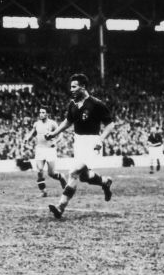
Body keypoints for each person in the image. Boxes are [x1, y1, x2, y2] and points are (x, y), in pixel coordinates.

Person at [46, 73, 115, 220]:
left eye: (74, 86)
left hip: (92, 144)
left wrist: (101, 140)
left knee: (74, 172)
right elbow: (67, 122)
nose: (71, 89)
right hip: (79, 143)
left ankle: (60, 207)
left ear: (83, 87)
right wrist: (54, 133)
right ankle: (105, 181)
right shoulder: (73, 104)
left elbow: (110, 124)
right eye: (71, 86)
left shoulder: (96, 104)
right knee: (85, 177)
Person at [23, 106, 66, 197]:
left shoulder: (52, 123)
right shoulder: (36, 124)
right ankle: (43, 191)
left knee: (52, 173)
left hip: (50, 150)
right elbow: (32, 132)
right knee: (39, 170)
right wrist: (27, 138)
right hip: (40, 149)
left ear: (47, 114)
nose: (41, 114)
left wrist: (55, 141)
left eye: (43, 112)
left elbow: (61, 134)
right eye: (40, 112)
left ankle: (62, 177)